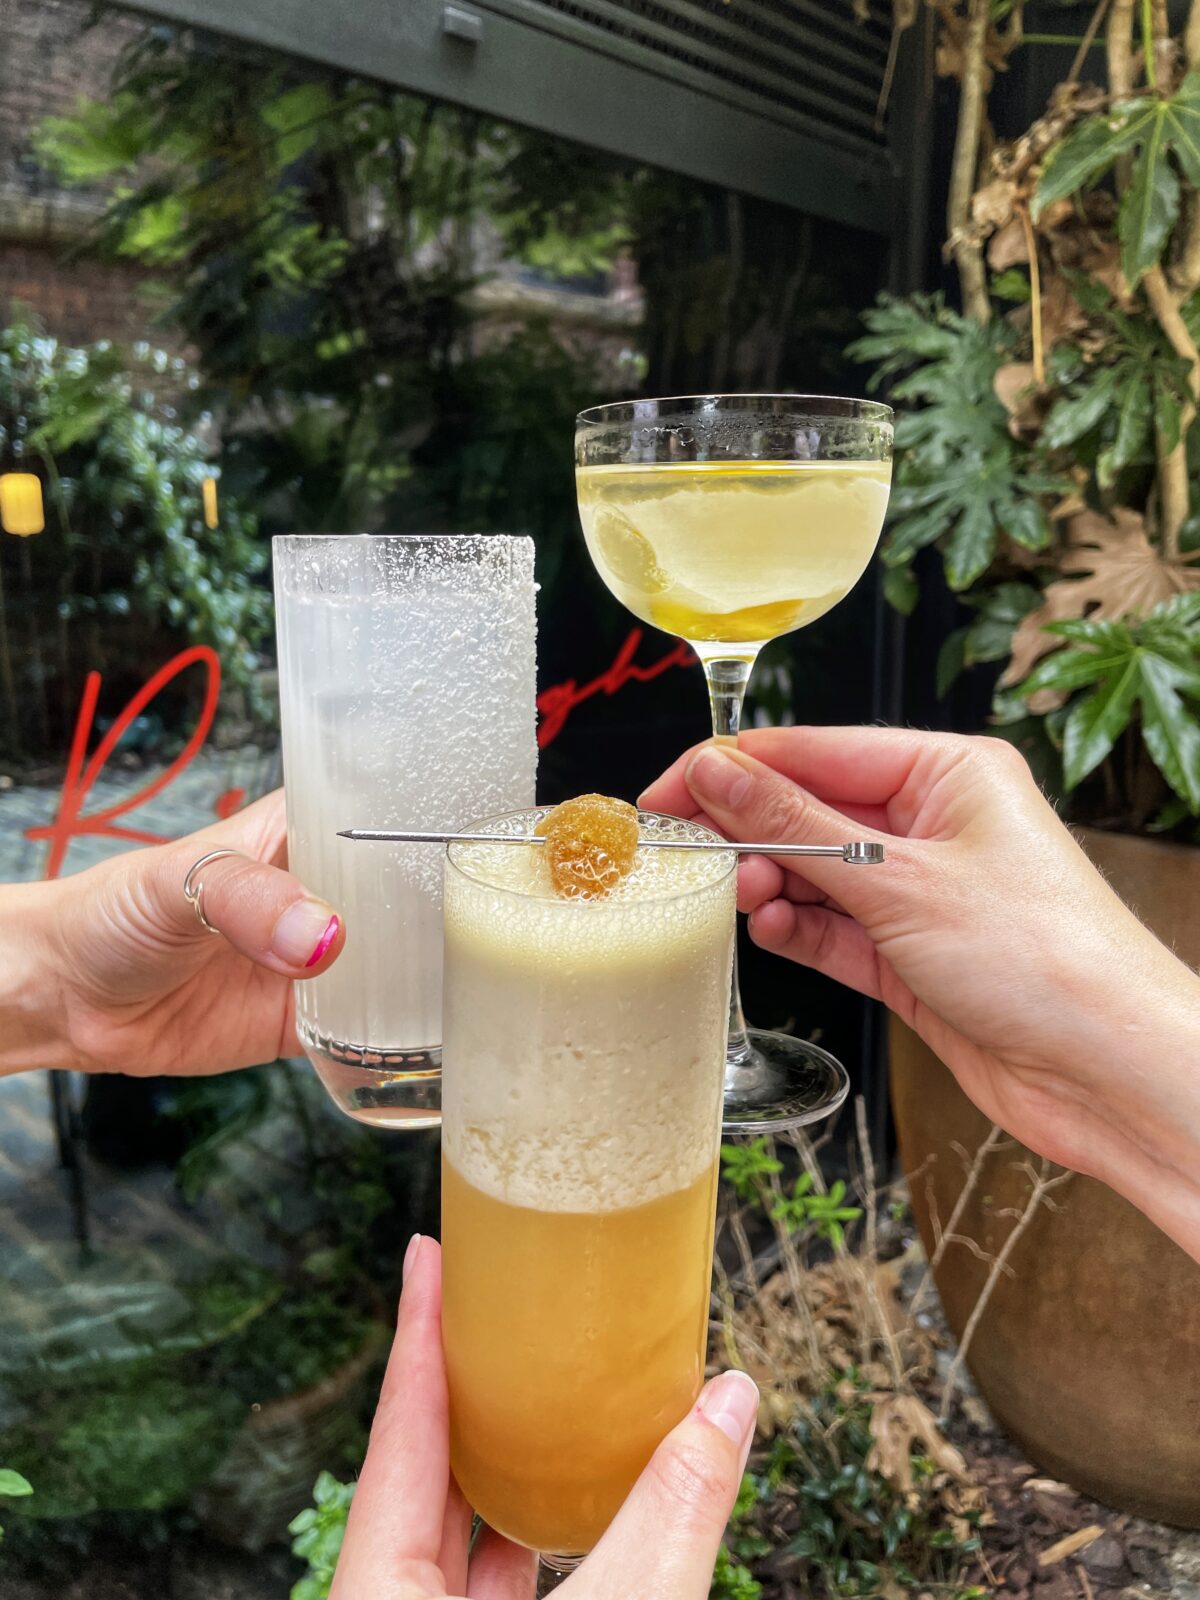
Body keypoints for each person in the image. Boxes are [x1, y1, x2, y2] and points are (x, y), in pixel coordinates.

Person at [1, 728, 1197, 1598]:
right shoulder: (491, 897)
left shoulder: (681, 905)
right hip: (502, 1306)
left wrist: (1117, 1050)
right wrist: (59, 985)